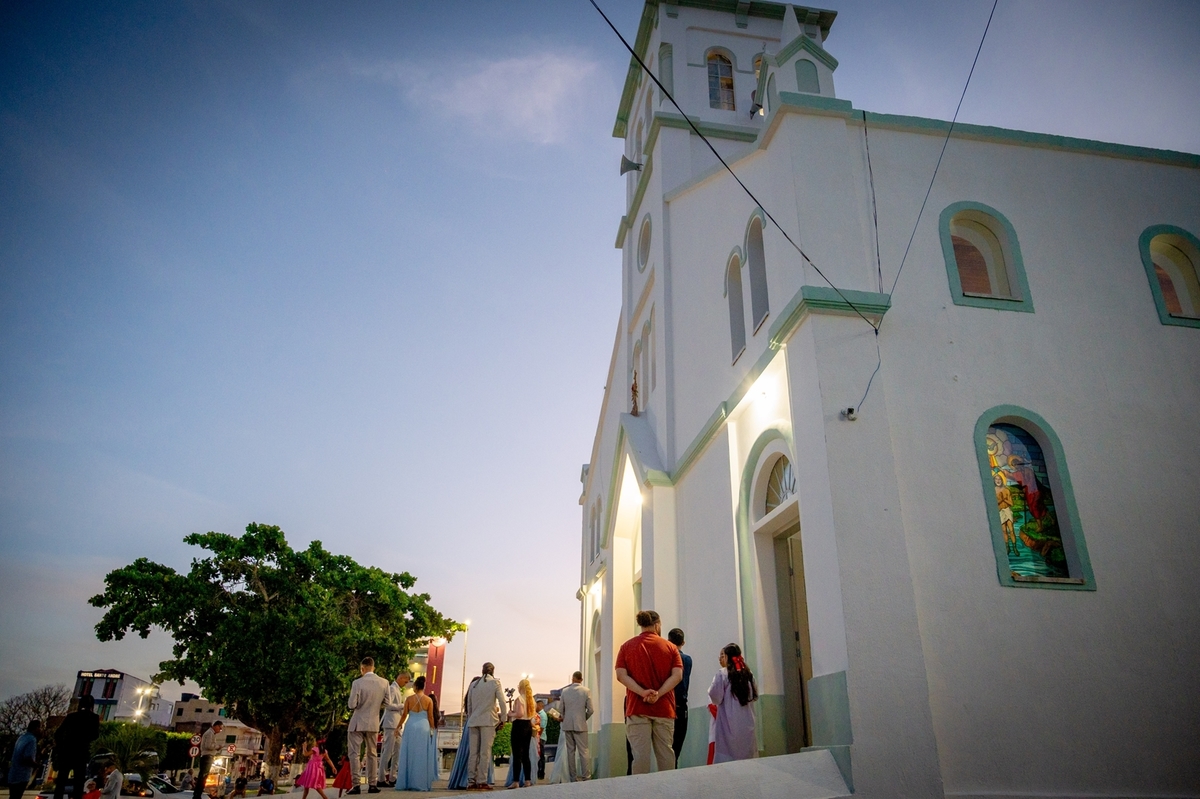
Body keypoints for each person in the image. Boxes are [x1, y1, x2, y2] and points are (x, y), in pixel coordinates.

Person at [615, 609, 683, 775]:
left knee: (640, 757)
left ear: (641, 625)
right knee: (666, 755)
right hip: (664, 709)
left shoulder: (626, 647)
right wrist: (658, 693)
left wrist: (642, 692)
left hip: (637, 708)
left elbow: (621, 675)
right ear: (657, 625)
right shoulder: (671, 648)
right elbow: (677, 675)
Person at [708, 642, 759, 763]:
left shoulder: (722, 674)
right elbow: (754, 695)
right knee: (748, 760)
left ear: (727, 657)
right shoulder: (748, 674)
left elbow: (715, 697)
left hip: (728, 724)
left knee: (728, 761)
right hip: (747, 723)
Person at [346, 657, 389, 794]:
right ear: (373, 667)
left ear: (362, 668)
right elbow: (387, 703)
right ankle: (372, 784)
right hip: (373, 722)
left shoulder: (357, 683)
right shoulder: (384, 682)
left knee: (354, 754)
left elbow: (351, 705)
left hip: (357, 723)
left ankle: (356, 785)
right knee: (372, 754)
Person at [463, 663, 506, 791]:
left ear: (482, 671)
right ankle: (482, 781)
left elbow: (469, 705)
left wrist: (471, 717)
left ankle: (471, 781)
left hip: (473, 721)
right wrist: (503, 718)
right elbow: (502, 702)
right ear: (493, 671)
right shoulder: (495, 683)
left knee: (473, 753)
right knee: (484, 753)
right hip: (488, 721)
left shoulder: (473, 685)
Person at [393, 676, 439, 792]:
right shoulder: (428, 700)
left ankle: (407, 781)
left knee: (409, 753)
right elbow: (430, 717)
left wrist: (398, 727)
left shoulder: (409, 699)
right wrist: (432, 729)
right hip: (424, 727)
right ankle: (420, 782)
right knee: (421, 755)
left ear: (415, 686)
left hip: (411, 726)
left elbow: (404, 715)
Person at [54, 695, 101, 799]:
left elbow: (58, 733)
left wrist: (62, 745)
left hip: (67, 752)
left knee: (61, 782)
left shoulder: (71, 717)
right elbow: (95, 735)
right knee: (78, 783)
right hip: (81, 753)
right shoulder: (94, 718)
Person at [557, 672, 592, 782]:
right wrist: (583, 718)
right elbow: (591, 710)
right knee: (584, 751)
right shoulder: (586, 691)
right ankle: (586, 777)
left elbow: (560, 709)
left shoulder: (565, 691)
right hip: (580, 725)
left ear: (572, 678)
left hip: (567, 725)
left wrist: (565, 717)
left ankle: (573, 778)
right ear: (581, 679)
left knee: (570, 752)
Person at [379, 673, 412, 787]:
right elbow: (388, 705)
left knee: (397, 751)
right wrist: (402, 706)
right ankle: (381, 778)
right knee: (387, 751)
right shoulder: (392, 689)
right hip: (391, 723)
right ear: (400, 678)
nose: (406, 684)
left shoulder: (397, 689)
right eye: (405, 681)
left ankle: (393, 776)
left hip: (396, 724)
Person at [666, 628, 693, 764]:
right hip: (681, 706)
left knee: (666, 748)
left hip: (666, 705)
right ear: (683, 642)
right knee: (676, 747)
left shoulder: (665, 658)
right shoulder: (687, 660)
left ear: (668, 641)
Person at [506, 679, 536, 789]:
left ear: (521, 687)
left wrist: (511, 713)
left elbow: (519, 713)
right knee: (526, 755)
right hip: (528, 725)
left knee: (517, 754)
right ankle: (528, 780)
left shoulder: (520, 699)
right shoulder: (531, 699)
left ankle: (516, 781)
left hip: (519, 726)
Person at [7, 719, 41, 799]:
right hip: (22, 775)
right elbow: (27, 758)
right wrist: (37, 765)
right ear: (36, 728)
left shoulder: (21, 737)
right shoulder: (32, 740)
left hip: (13, 774)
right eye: (40, 727)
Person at [193, 721, 224, 799]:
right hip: (207, 756)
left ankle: (198, 794)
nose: (220, 730)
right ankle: (197, 794)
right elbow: (208, 745)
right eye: (220, 728)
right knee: (203, 776)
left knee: (204, 776)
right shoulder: (210, 733)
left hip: (208, 756)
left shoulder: (211, 733)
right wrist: (217, 746)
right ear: (216, 726)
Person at [534, 701, 548, 780]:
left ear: (539, 705)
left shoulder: (542, 715)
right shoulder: (539, 714)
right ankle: (539, 771)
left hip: (541, 737)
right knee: (539, 755)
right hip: (540, 737)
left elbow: (542, 727)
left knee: (541, 756)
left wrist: (538, 737)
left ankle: (541, 772)